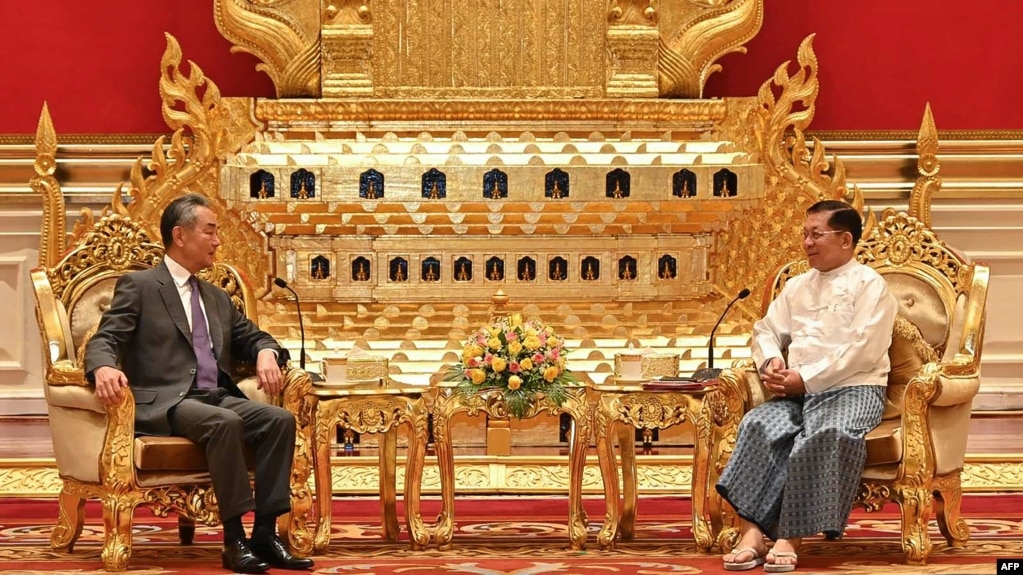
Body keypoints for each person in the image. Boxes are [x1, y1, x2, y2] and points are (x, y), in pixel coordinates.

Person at [85, 194, 314, 574]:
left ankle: (265, 533)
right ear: (180, 235)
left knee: (279, 420)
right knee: (225, 424)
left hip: (216, 396)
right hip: (167, 402)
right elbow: (105, 339)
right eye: (210, 231)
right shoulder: (140, 286)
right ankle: (233, 539)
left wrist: (266, 353)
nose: (218, 241)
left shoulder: (216, 297)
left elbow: (256, 337)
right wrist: (103, 368)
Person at [716, 200, 898, 573]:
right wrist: (772, 363)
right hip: (796, 390)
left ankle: (789, 537)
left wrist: (808, 378)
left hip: (854, 389)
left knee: (824, 433)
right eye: (805, 234)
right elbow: (765, 331)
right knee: (758, 425)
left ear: (845, 240)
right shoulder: (798, 285)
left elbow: (865, 350)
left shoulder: (869, 285)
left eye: (817, 234)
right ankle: (750, 533)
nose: (807, 243)